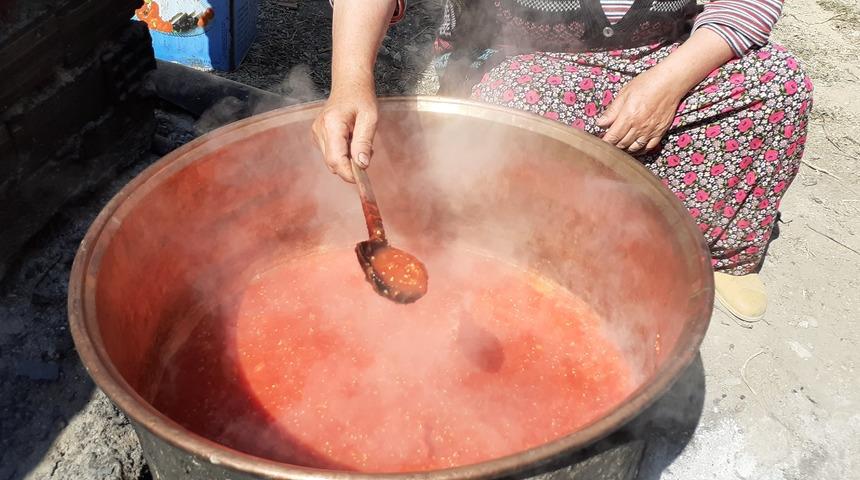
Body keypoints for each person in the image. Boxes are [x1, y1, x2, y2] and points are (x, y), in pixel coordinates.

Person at [312, 0, 812, 322]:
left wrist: (668, 82)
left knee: (777, 87)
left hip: (661, 59)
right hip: (519, 64)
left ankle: (707, 252)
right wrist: (351, 82)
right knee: (511, 116)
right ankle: (516, 249)